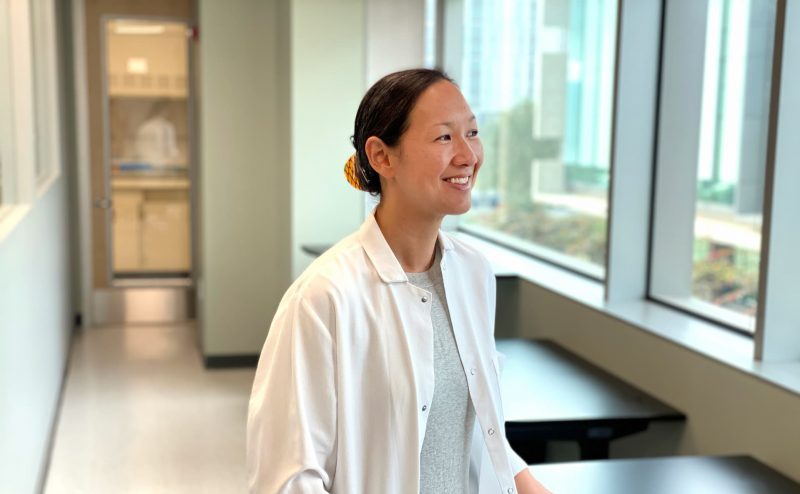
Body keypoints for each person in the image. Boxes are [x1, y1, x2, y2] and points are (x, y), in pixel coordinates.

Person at [247, 68, 552, 494]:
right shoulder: (325, 296)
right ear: (381, 157)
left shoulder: (473, 273)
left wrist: (527, 482)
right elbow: (289, 478)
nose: (468, 155)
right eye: (444, 137)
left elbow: (477, 427)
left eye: (473, 132)